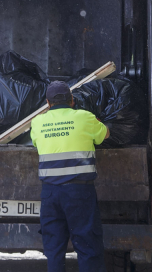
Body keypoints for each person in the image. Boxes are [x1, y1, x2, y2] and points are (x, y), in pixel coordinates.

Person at [30, 80, 109, 272]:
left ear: (48, 103)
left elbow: (36, 143)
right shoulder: (85, 117)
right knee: (88, 246)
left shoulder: (37, 122)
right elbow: (105, 135)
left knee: (54, 249)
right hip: (79, 192)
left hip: (50, 194)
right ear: (72, 100)